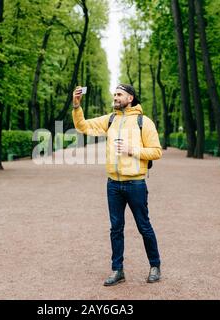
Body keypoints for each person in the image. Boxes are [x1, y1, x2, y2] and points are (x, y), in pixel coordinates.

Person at [72, 84, 162, 286]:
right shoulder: (110, 119)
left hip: (136, 184)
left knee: (144, 227)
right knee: (115, 229)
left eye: (119, 94)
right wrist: (77, 106)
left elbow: (156, 151)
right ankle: (117, 270)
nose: (115, 97)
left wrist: (133, 150)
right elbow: (83, 126)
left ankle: (155, 265)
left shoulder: (143, 122)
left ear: (130, 98)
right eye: (114, 94)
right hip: (113, 184)